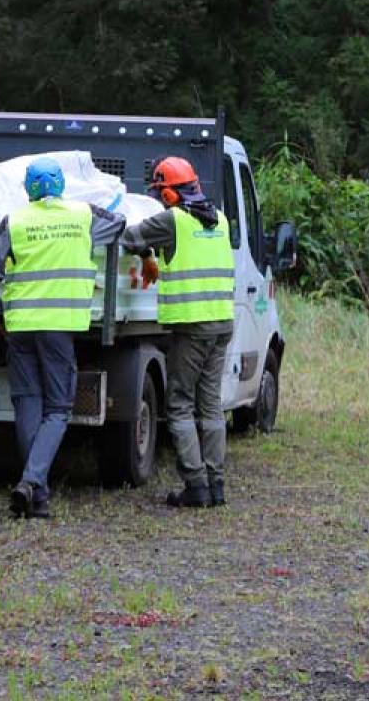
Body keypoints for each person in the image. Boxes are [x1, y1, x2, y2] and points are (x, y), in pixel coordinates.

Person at [0, 157, 126, 519]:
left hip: (20, 326)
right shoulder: (81, 215)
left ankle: (36, 496)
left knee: (28, 403)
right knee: (58, 409)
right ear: (61, 186)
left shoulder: (15, 220)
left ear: (29, 189)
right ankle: (31, 482)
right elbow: (118, 224)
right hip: (59, 326)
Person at [120, 156, 236, 508]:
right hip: (222, 324)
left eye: (159, 192)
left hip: (192, 327)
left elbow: (129, 237)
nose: (158, 198)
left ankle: (195, 485)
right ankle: (216, 485)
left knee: (180, 404)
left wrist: (145, 251)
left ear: (170, 194)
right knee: (211, 405)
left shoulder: (174, 220)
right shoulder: (221, 221)